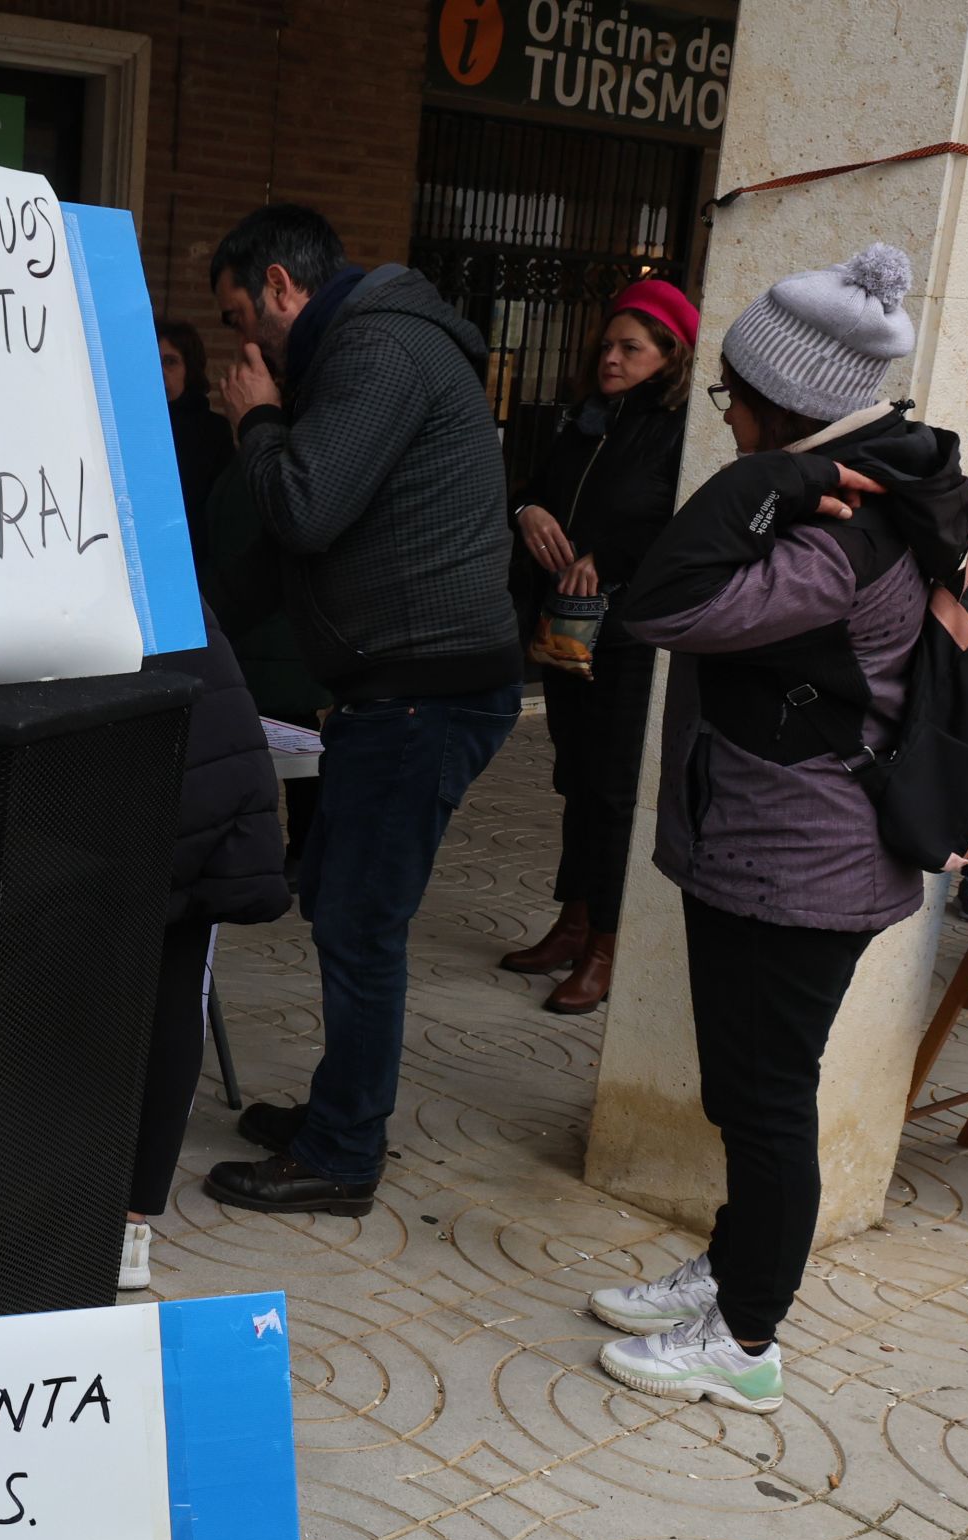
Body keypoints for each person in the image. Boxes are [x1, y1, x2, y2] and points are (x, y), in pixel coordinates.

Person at [583, 243, 968, 1412]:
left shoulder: (837, 535)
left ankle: (746, 1340)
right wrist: (788, 481)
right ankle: (732, 1267)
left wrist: (778, 485)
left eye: (733, 401)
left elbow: (657, 604)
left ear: (777, 407)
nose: (728, 421)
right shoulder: (852, 500)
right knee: (743, 1094)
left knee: (765, 1102)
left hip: (805, 867)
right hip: (765, 849)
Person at [199, 204, 522, 1217]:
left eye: (240, 317)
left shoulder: (376, 348)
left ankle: (341, 1156)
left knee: (361, 925)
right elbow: (295, 546)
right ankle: (339, 1113)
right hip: (397, 690)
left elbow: (303, 504)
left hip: (424, 694)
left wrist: (254, 418)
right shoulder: (365, 346)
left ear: (284, 288)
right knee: (338, 899)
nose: (239, 347)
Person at [503, 280, 700, 1013]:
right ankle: (573, 917)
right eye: (607, 347)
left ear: (669, 355)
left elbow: (684, 528)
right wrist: (527, 512)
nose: (612, 359)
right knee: (575, 778)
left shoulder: (678, 431)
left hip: (629, 636)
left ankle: (606, 946)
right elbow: (531, 488)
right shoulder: (587, 419)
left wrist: (610, 558)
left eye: (631, 348)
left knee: (613, 791)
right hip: (566, 627)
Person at [119, 603, 291, 1288]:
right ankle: (129, 1230)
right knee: (172, 984)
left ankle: (92, 1215)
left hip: (147, 758)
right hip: (204, 750)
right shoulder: (141, 528)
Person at [198, 457, 329, 886]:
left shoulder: (263, 474)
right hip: (274, 644)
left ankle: (275, 856)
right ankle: (299, 854)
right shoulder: (277, 472)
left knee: (273, 758)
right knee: (295, 758)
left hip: (259, 640)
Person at [158, 320, 234, 568]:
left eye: (170, 362)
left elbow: (223, 516)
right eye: (153, 360)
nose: (159, 370)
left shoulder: (213, 431)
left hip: (195, 566)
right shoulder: (134, 425)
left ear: (189, 368)